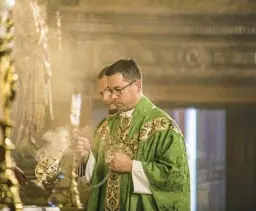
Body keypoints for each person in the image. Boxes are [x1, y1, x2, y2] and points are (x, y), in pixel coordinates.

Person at [79, 59, 190, 211]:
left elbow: (175, 178)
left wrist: (132, 166)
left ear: (137, 86)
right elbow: (97, 180)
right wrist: (86, 157)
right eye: (109, 90)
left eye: (118, 90)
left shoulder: (162, 126)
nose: (111, 97)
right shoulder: (106, 127)